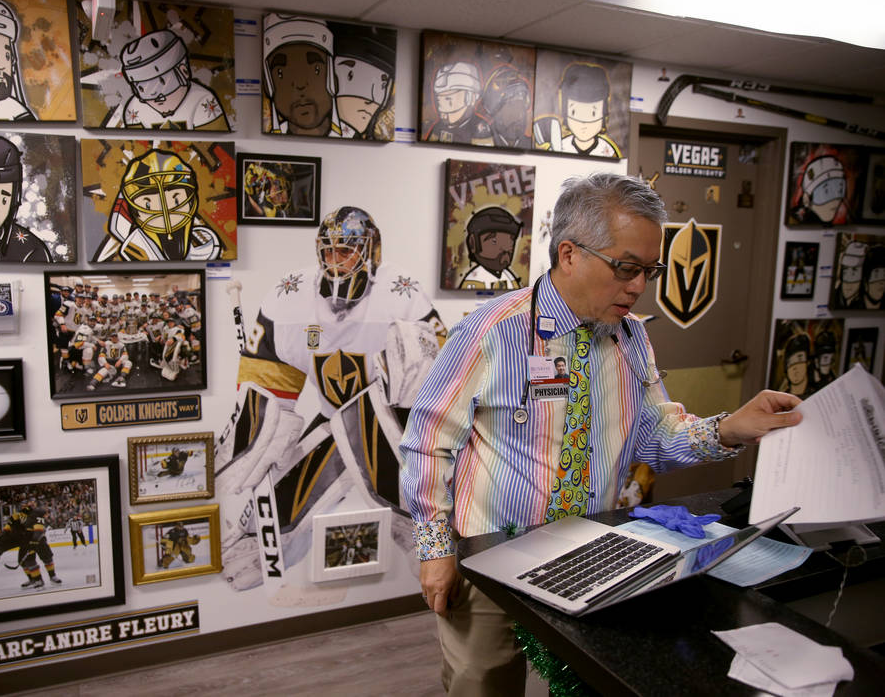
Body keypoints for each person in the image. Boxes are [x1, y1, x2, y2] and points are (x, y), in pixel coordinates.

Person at [399, 173, 803, 694]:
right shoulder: (492, 330)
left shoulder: (632, 338)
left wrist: (729, 428)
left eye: (648, 271)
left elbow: (654, 434)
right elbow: (428, 441)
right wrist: (434, 550)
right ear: (569, 254)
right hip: (492, 554)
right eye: (626, 268)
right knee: (483, 683)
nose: (638, 286)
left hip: (589, 555)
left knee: (587, 681)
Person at [215, 206, 447, 592]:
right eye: (329, 251)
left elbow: (440, 378)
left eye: (347, 250)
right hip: (333, 420)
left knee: (424, 506)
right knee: (255, 540)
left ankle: (418, 521)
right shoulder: (289, 294)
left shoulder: (401, 291)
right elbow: (266, 380)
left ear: (371, 252)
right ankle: (263, 533)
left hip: (395, 427)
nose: (336, 261)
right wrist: (258, 425)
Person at [92, 148, 223, 262]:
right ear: (133, 211)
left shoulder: (205, 247)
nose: (165, 214)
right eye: (148, 204)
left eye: (176, 200)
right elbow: (118, 226)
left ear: (190, 202)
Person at [112, 29, 229, 130]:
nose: (156, 97)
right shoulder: (134, 109)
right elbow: (134, 150)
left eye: (162, 83)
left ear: (183, 72)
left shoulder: (204, 101)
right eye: (143, 89)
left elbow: (214, 151)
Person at [458, 206, 523, 290]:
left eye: (510, 242)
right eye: (494, 241)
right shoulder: (474, 280)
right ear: (473, 243)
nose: (506, 249)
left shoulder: (510, 277)